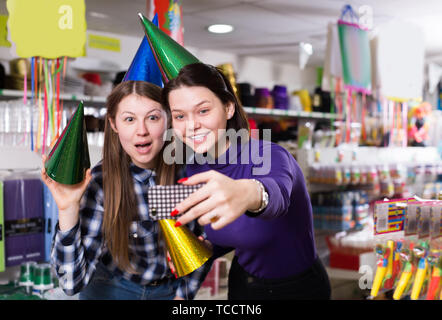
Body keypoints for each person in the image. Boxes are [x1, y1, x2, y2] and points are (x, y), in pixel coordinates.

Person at [162, 63, 331, 300]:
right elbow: (235, 232)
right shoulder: (193, 170)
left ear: (228, 107)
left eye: (203, 111)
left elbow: (277, 194)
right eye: (180, 116)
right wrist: (205, 249)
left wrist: (249, 192)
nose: (191, 125)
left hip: (298, 288)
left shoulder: (269, 155)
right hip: (244, 286)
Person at [42, 80, 209, 300]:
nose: (142, 131)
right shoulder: (100, 182)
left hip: (170, 291)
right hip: (111, 289)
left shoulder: (191, 172)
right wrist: (68, 209)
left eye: (153, 117)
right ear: (113, 124)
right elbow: (72, 283)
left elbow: (203, 243)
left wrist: (183, 295)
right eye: (129, 119)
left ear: (168, 119)